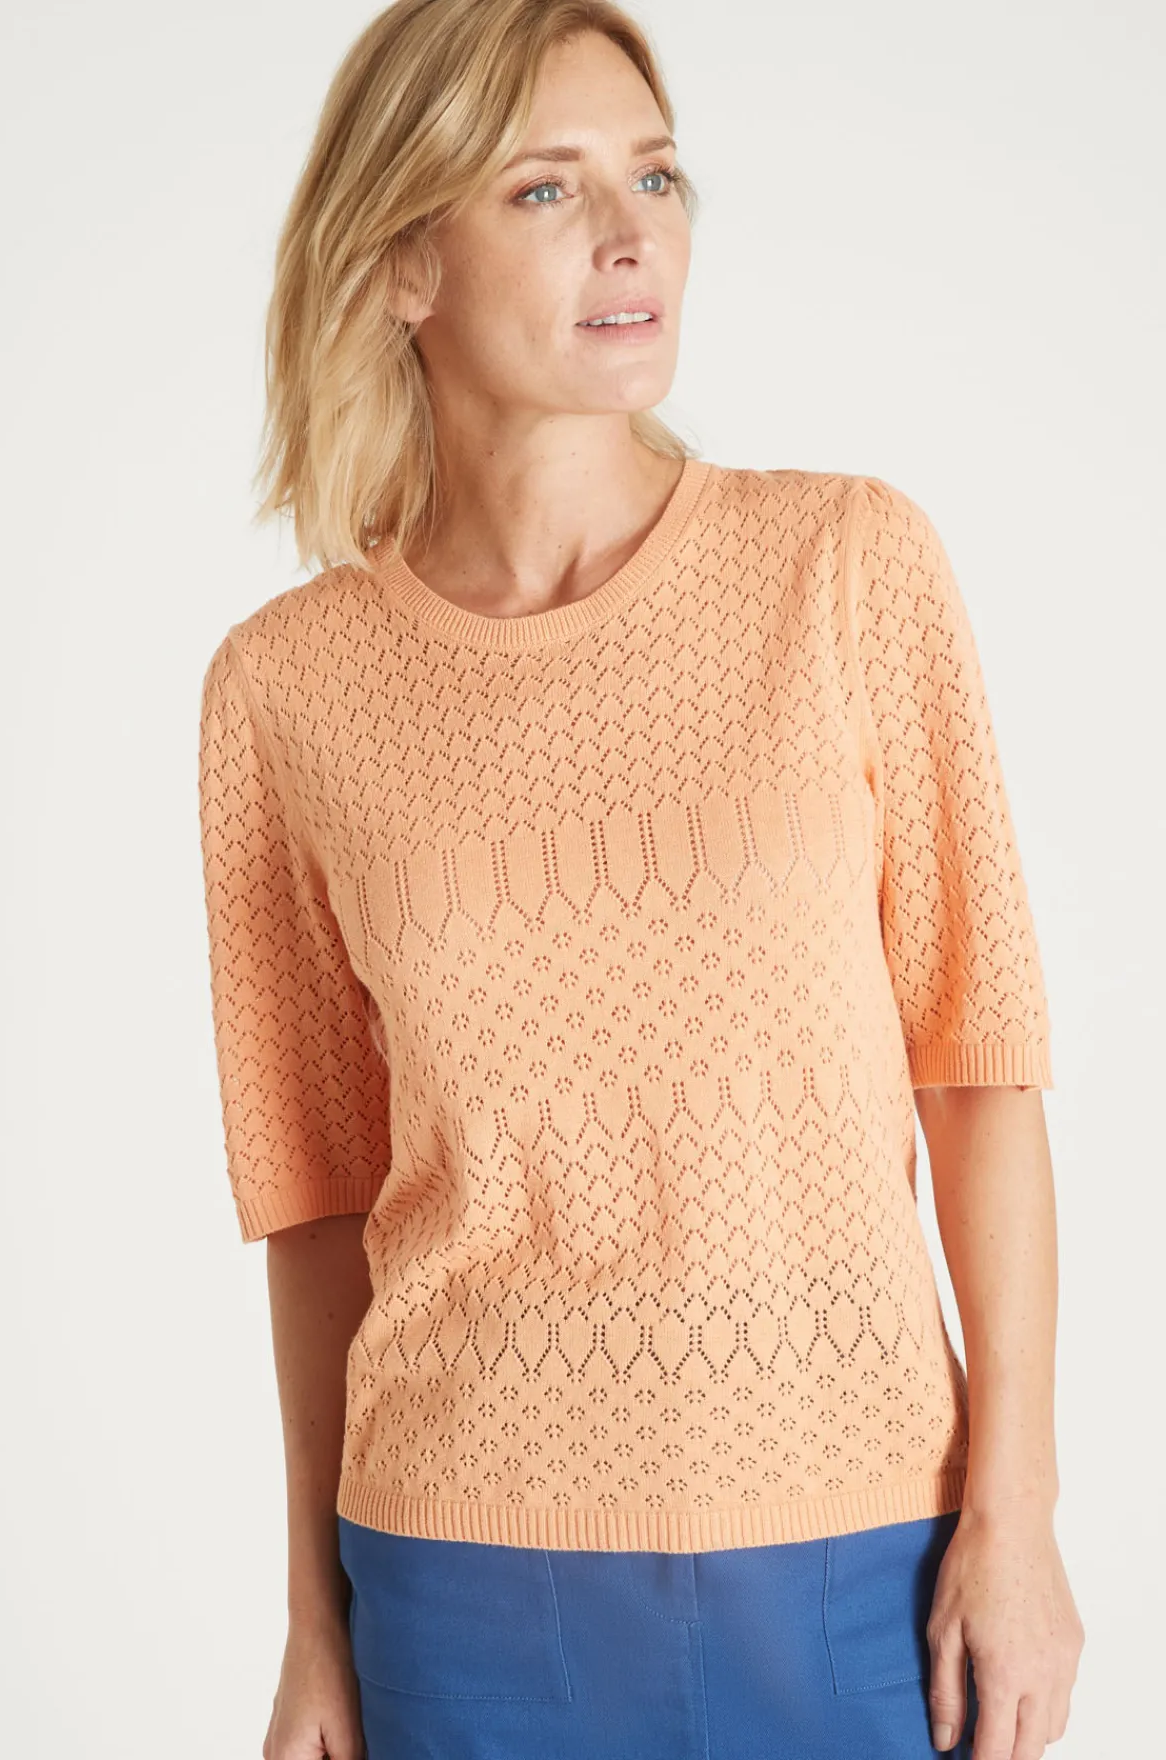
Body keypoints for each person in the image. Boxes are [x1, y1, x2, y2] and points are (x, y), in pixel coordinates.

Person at [195, 2, 1084, 1756]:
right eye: (544, 188)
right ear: (401, 263)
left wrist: (1019, 1516)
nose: (632, 234)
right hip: (457, 1571)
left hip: (855, 1544)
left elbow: (981, 1070)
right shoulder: (285, 690)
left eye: (656, 177)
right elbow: (317, 1204)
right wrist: (315, 1623)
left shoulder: (846, 565)